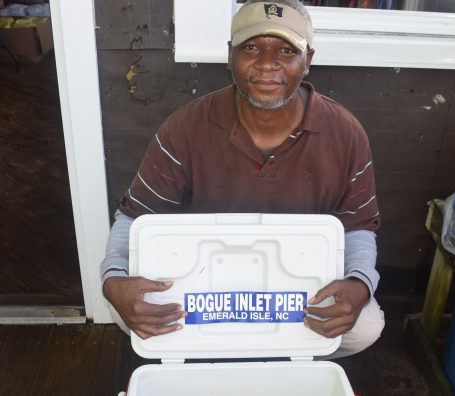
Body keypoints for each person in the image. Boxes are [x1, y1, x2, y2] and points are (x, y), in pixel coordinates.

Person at [100, 0, 385, 358]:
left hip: (296, 287)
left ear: (307, 60)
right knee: (122, 309)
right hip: (203, 284)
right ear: (230, 56)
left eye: (286, 50)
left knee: (365, 326)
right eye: (251, 47)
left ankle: (281, 358)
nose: (267, 64)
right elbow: (135, 215)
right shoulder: (185, 128)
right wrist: (112, 278)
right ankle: (212, 358)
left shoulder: (345, 133)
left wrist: (360, 282)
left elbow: (358, 225)